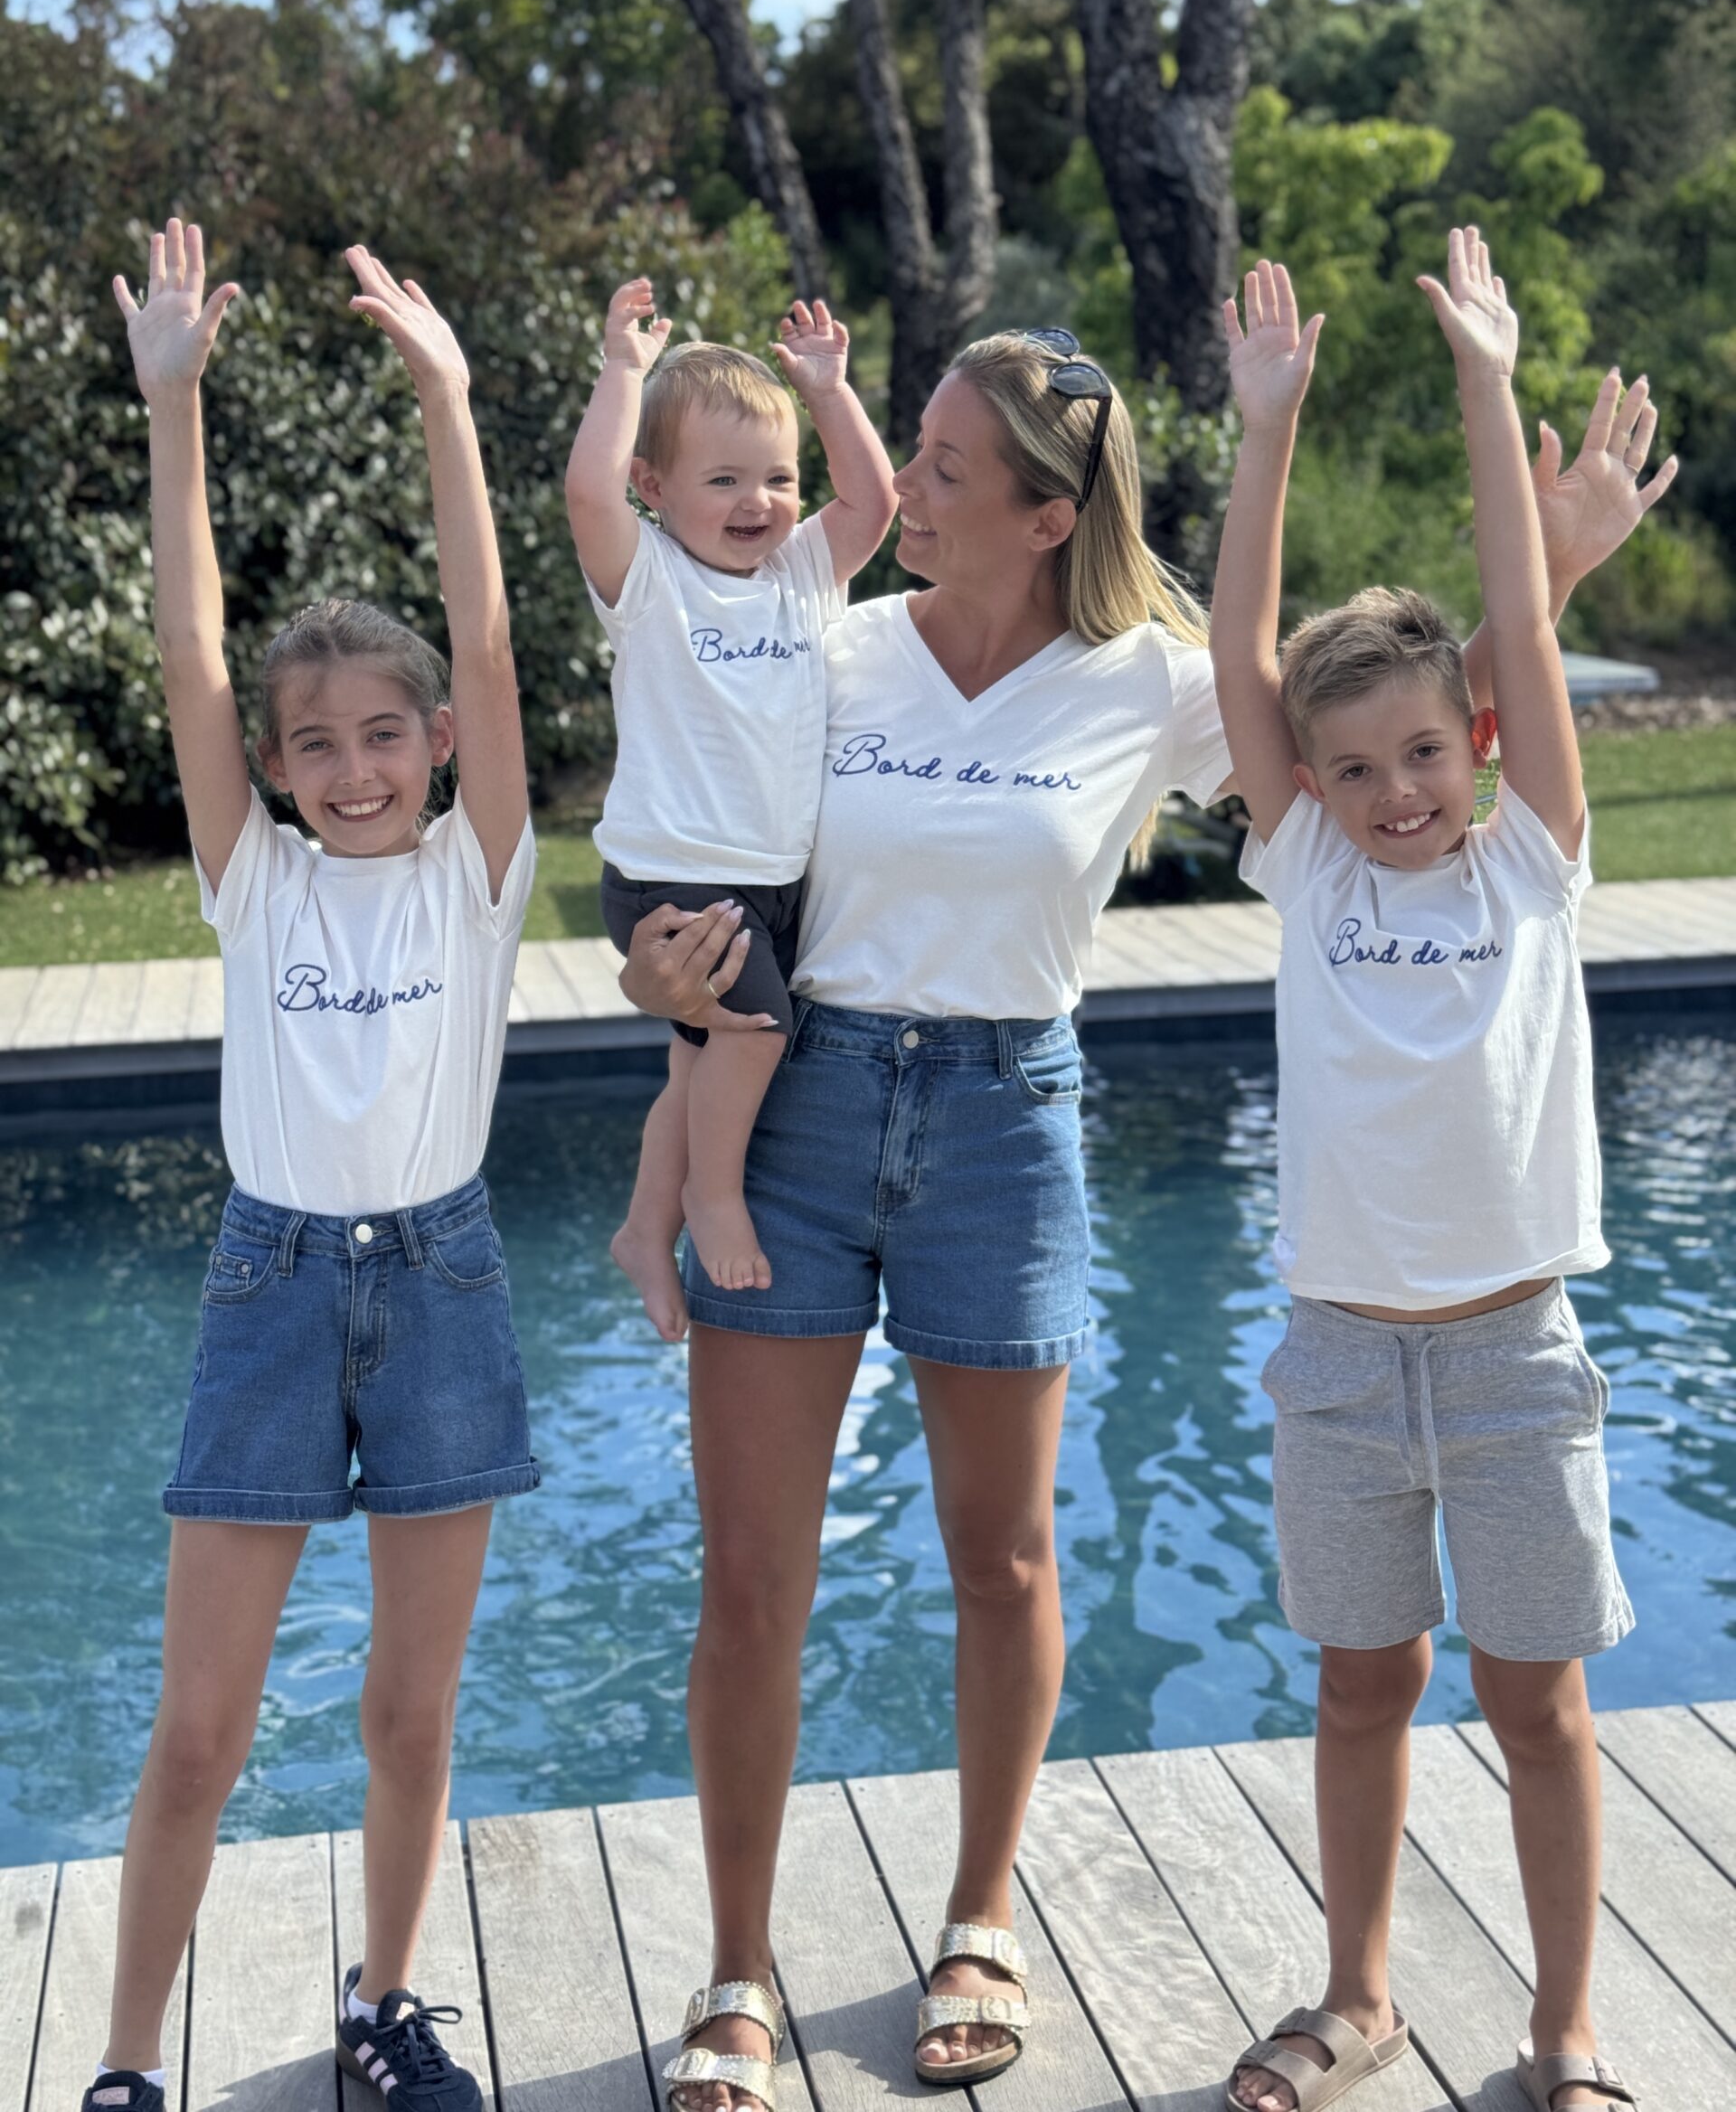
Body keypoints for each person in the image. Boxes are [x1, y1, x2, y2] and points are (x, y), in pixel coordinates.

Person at [615, 325, 1234, 2112]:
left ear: (1046, 517)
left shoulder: (1153, 682)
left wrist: (1540, 580)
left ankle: (980, 1915)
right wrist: (654, 971)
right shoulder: (829, 642)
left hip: (1004, 1122)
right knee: (753, 1573)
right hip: (797, 1112)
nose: (906, 483)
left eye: (945, 465)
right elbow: (702, 849)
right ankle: (737, 1964)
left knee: (1005, 1557)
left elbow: (1379, 747)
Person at [1210, 236, 1676, 2112]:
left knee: (1540, 1707)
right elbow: (1242, 653)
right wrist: (1266, 427)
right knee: (1359, 1687)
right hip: (1339, 1364)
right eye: (1357, 767)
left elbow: (1524, 625)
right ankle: (1360, 1995)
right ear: (1311, 785)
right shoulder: (1310, 869)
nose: (1397, 790)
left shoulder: (1530, 858)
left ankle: (1566, 2030)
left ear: (1478, 741)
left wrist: (1491, 382)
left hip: (1509, 1361)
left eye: (1425, 751)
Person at [88, 222, 537, 2112]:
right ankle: (126, 2060)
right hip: (273, 1282)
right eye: (316, 747)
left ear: (438, 744)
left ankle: (385, 2000)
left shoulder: (481, 872)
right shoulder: (252, 877)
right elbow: (190, 650)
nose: (354, 770)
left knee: (407, 1710)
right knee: (199, 1728)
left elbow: (491, 636)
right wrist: (172, 405)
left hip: (441, 1281)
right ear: (271, 768)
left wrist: (448, 401)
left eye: (385, 738)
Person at [565, 281, 897, 1339]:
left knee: (699, 1060)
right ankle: (711, 1200)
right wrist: (622, 373)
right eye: (724, 480)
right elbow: (585, 496)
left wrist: (830, 393)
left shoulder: (800, 573)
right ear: (654, 487)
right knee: (755, 1035)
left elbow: (874, 505)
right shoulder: (651, 580)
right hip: (675, 877)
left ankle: (643, 1228)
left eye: (779, 478)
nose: (759, 501)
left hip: (771, 883)